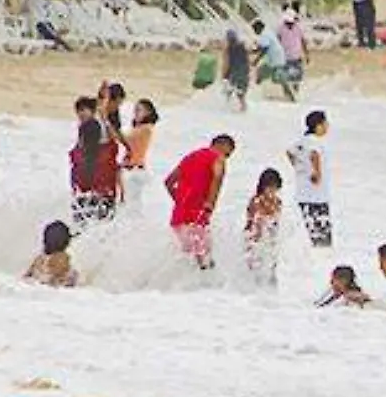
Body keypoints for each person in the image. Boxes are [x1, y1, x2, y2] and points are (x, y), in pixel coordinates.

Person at [165, 134, 235, 267]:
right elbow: (217, 178)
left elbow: (168, 182)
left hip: (178, 219)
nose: (226, 158)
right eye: (228, 154)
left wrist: (180, 202)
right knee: (205, 263)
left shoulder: (190, 156)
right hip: (197, 218)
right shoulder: (218, 158)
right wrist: (210, 204)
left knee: (186, 262)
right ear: (224, 146)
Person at [286, 110, 332, 248]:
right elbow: (314, 154)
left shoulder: (302, 141)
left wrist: (298, 166)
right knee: (323, 236)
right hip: (316, 196)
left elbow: (289, 152)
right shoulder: (315, 141)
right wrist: (316, 172)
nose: (327, 127)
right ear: (318, 126)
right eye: (325, 124)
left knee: (310, 229)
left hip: (302, 194)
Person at [69, 117, 121, 226]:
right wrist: (105, 119)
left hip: (82, 203)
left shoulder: (77, 155)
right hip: (105, 202)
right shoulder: (109, 152)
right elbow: (114, 138)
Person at [243, 168, 284, 286]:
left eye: (275, 187)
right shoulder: (256, 201)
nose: (272, 190)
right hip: (254, 240)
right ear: (263, 187)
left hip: (269, 240)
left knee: (271, 270)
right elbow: (253, 223)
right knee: (254, 272)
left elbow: (277, 224)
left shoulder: (278, 202)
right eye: (269, 187)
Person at [121, 98, 159, 206]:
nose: (135, 114)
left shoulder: (146, 128)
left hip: (135, 171)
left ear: (148, 112)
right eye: (135, 111)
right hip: (133, 170)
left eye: (138, 110)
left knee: (131, 205)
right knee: (131, 204)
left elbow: (124, 138)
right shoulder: (139, 128)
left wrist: (110, 125)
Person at [24, 220, 79, 288]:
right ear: (66, 242)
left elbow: (27, 276)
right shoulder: (63, 257)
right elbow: (59, 279)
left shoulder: (39, 259)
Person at [253, 19, 289, 100]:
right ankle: (290, 96)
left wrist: (256, 60)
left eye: (255, 29)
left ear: (259, 28)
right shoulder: (268, 32)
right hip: (279, 57)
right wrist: (255, 50)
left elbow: (265, 48)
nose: (254, 31)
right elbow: (263, 46)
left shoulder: (264, 35)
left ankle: (255, 95)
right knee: (279, 79)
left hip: (274, 59)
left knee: (260, 73)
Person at [275, 8, 308, 100]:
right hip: (284, 57)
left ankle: (295, 94)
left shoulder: (299, 28)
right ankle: (287, 95)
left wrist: (307, 54)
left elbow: (303, 41)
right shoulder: (280, 28)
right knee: (284, 78)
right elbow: (277, 41)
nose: (289, 23)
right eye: (287, 21)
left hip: (296, 56)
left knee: (297, 77)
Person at [221, 28, 251, 112]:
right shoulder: (243, 45)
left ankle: (227, 106)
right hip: (244, 71)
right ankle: (243, 107)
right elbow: (248, 59)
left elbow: (226, 63)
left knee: (229, 89)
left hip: (234, 72)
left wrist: (224, 75)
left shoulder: (228, 49)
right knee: (241, 92)